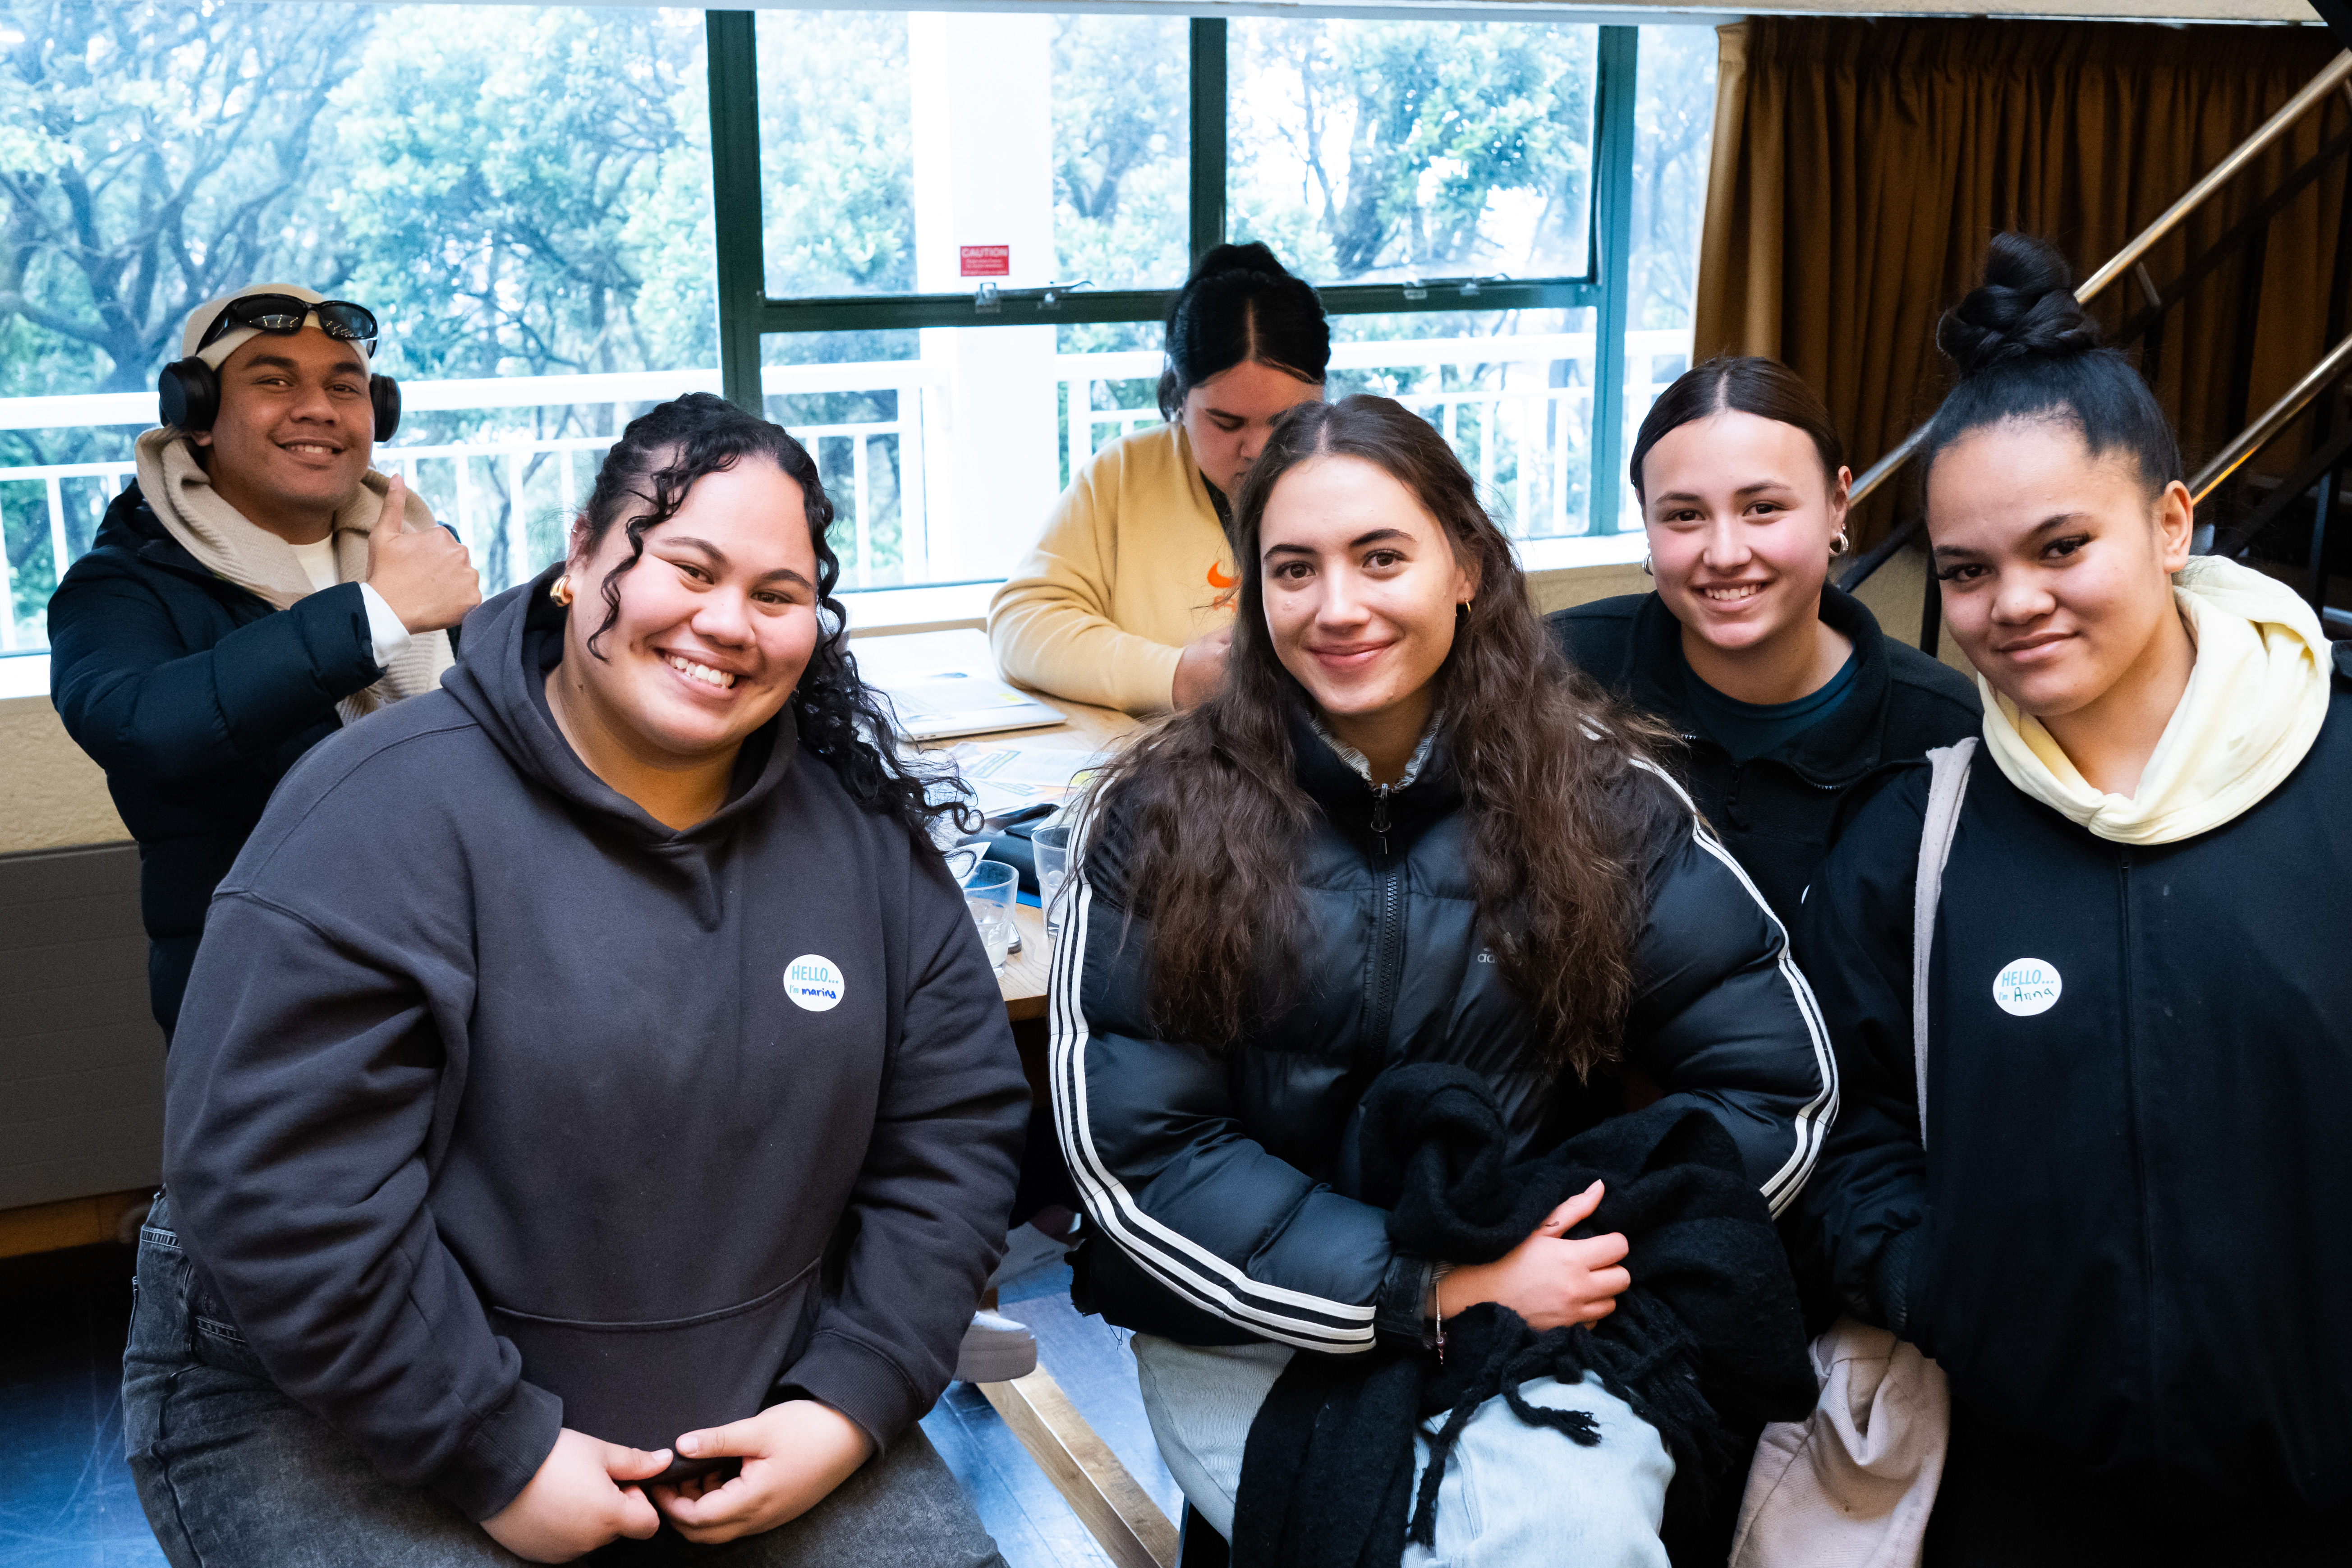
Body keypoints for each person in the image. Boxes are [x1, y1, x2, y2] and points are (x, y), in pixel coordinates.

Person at [124, 393, 1029, 1566]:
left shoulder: (859, 841)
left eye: (776, 593)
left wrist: (847, 1401)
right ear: (580, 557)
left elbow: (950, 1137)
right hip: (340, 1399)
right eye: (687, 566)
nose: (727, 623)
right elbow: (286, 1191)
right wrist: (493, 1446)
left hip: (744, 1414)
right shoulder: (377, 811)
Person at [1052, 395, 1837, 1561]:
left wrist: (1560, 1245)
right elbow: (1145, 1151)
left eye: (1382, 556)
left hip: (1535, 1297)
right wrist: (1422, 1286)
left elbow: (1775, 1086)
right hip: (1247, 1321)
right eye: (1293, 568)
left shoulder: (1603, 797)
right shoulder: (1158, 812)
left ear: (1466, 564)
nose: (1339, 607)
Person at [1798, 234, 2352, 1560]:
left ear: (2170, 523)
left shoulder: (2334, 781)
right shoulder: (1911, 838)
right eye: (1967, 570)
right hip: (2019, 1500)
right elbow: (1838, 1125)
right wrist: (1952, 1288)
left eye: (2060, 546)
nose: (2013, 604)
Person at [48, 282, 479, 1040]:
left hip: (457, 954)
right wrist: (376, 615)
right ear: (198, 413)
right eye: (274, 380)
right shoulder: (122, 585)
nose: (317, 407)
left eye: (344, 386)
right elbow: (144, 729)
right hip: (266, 995)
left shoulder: (416, 548)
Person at [1549, 359, 1978, 930]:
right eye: (1683, 515)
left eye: (1763, 509)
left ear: (1837, 504)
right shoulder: (1558, 670)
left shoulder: (1940, 730)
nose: (1724, 553)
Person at [988, 242, 1328, 715]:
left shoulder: (1360, 480)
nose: (1256, 449)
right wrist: (1175, 675)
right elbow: (1021, 626)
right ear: (1180, 398)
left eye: (1283, 420)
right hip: (1177, 775)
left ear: (1323, 394)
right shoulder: (1126, 474)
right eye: (1225, 423)